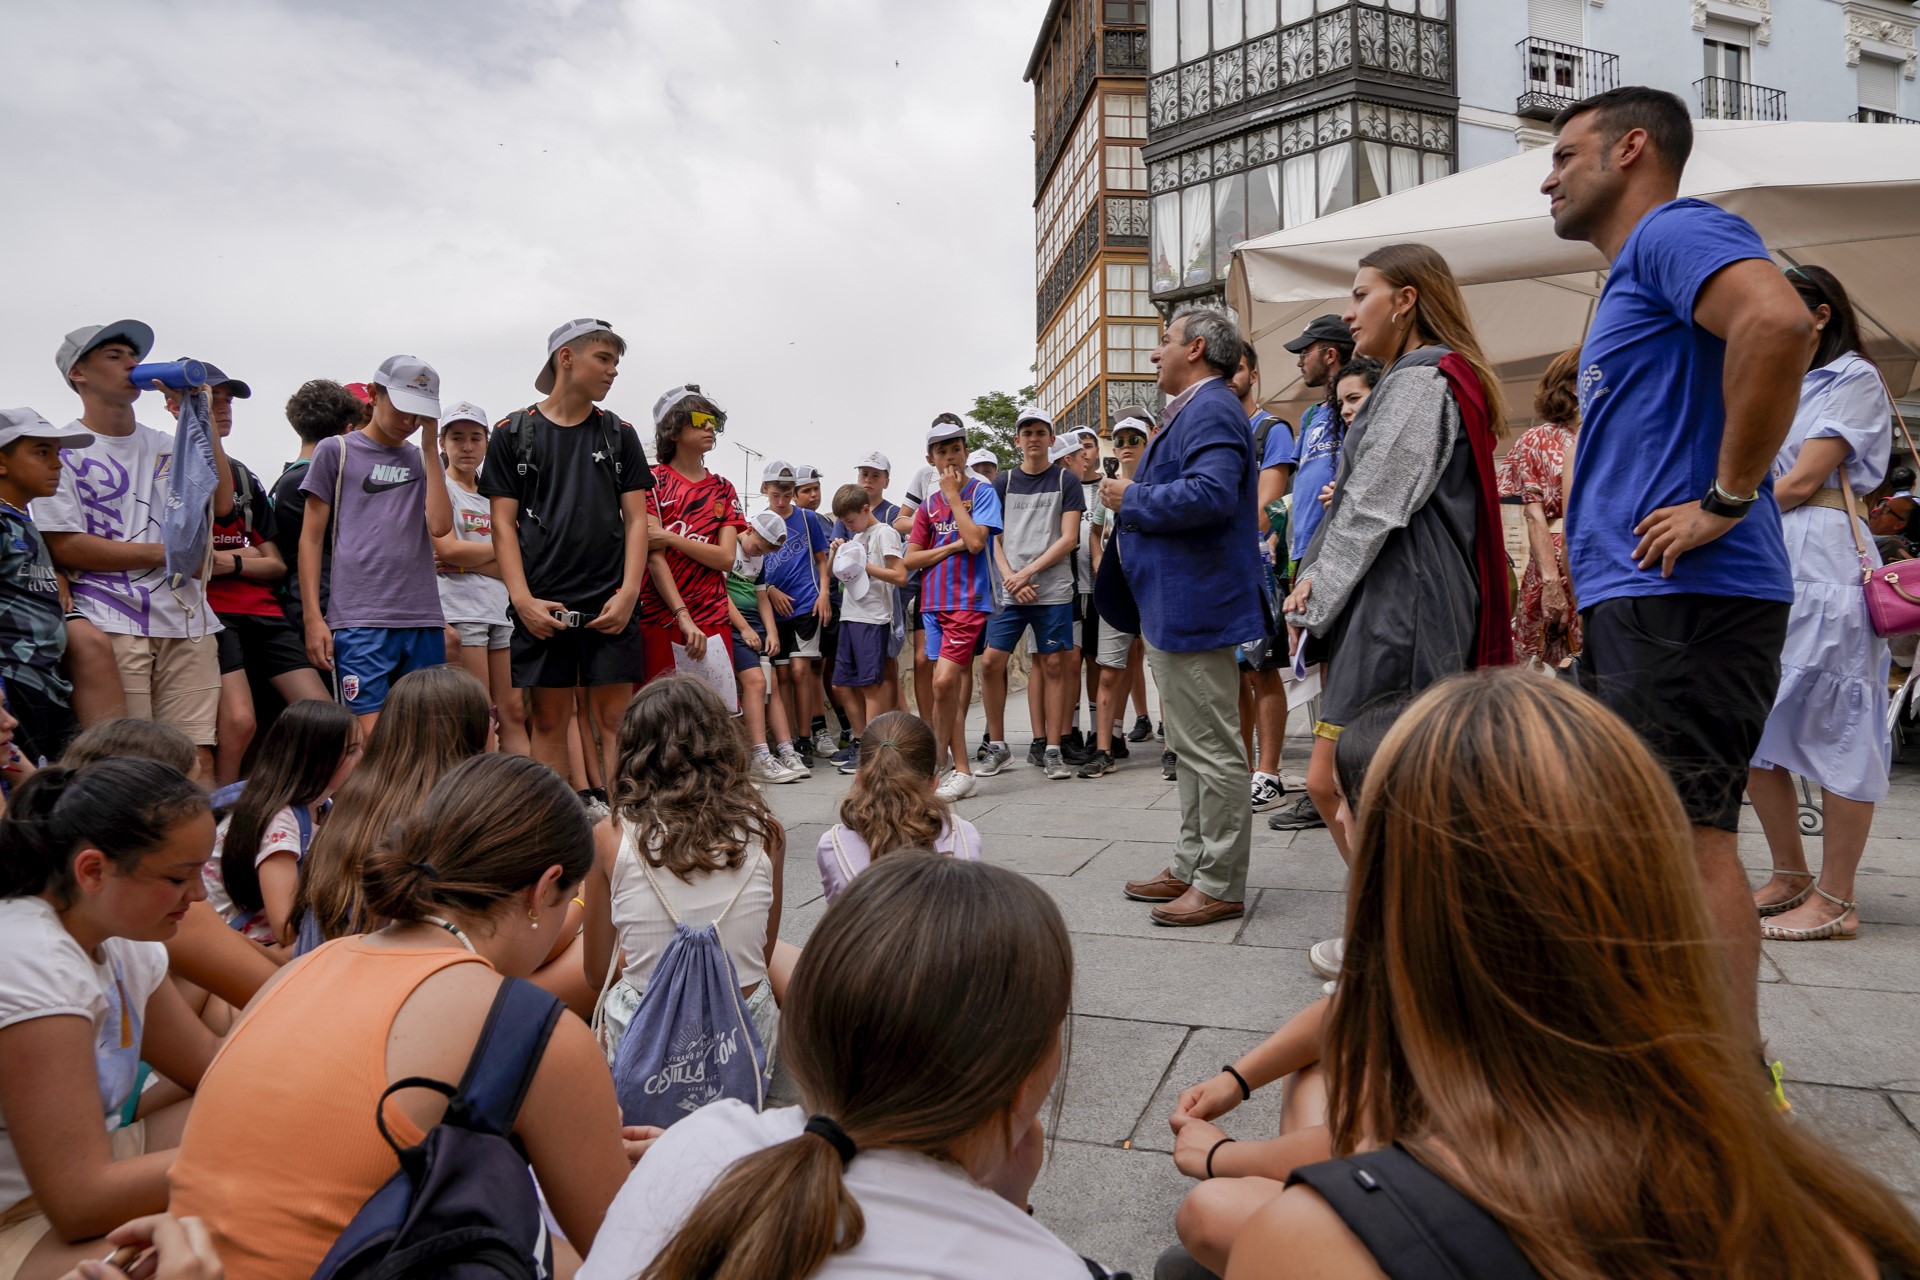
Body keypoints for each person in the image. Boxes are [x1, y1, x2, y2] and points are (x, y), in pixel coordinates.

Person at [1224, 670, 1920, 1279]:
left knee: (1241, 1187)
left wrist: (1229, 1157)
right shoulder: (1842, 1216)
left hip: (1385, 1210)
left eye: (1355, 806)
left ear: (1409, 889)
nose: (1339, 815)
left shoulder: (1304, 1241)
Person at [1544, 85, 1812, 1044]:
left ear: (1631, 150)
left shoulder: (1673, 231)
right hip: (1648, 601)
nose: (1549, 174)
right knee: (1645, 839)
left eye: (1566, 154)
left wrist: (1727, 499)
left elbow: (1778, 324)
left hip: (1690, 596)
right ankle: (1664, 1056)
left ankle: (1731, 1088)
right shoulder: (1634, 272)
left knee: (1691, 839)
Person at [169, 753, 643, 1280]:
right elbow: (624, 1255)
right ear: (542, 889)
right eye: (570, 901)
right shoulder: (529, 1024)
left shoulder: (309, 966)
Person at [578, 854, 1111, 1280]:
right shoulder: (1043, 1267)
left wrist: (687, 1151)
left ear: (807, 1031)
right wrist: (1010, 1208)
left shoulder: (693, 1144)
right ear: (1021, 1083)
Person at [1282, 244, 1511, 875]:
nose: (1350, 314)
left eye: (1362, 296)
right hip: (1398, 595)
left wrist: (1314, 596)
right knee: (1357, 779)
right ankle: (1389, 930)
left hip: (1405, 602)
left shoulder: (1420, 379)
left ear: (1406, 300)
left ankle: (1403, 938)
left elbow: (1375, 503)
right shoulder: (1421, 377)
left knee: (1378, 782)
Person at [0, 759, 221, 1280]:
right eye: (177, 876)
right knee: (218, 1233)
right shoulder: (30, 960)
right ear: (93, 870)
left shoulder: (117, 936)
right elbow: (78, 1200)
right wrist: (254, 1150)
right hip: (17, 1218)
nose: (199, 895)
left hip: (68, 1188)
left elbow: (209, 1064)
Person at [1748, 266, 1895, 943]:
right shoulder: (1774, 379)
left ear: (1821, 314)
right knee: (1750, 722)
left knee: (1839, 722)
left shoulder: (1854, 378)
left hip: (1827, 555)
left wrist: (1715, 515)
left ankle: (1837, 898)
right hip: (1774, 558)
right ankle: (1790, 873)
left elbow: (1804, 479)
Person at [1107, 310, 1265, 928]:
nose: (1155, 355)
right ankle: (1193, 861)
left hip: (1196, 603)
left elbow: (1211, 494)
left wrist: (1132, 498)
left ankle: (1220, 880)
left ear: (1196, 349)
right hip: (1176, 603)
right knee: (1192, 744)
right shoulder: (1199, 409)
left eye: (1165, 342)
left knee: (1213, 748)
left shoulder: (1213, 408)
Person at [38, 321, 234, 780]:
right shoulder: (61, 450)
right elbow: (66, 544)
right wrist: (169, 553)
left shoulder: (169, 443)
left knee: (195, 759)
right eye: (114, 356)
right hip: (110, 619)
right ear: (78, 374)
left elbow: (222, 504)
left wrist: (200, 418)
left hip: (188, 620)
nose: (132, 364)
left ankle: (196, 854)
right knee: (127, 762)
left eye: (135, 356)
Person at [482, 318, 654, 791]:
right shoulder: (512, 432)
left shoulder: (618, 433)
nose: (613, 371)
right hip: (543, 599)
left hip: (609, 597)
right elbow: (502, 524)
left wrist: (628, 594)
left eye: (616, 363)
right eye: (603, 359)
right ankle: (558, 833)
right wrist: (522, 600)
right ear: (566, 358)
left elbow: (638, 519)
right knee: (550, 721)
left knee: (618, 719)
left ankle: (628, 833)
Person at [582, 677, 784, 1052]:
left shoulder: (608, 837)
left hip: (645, 1043)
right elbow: (763, 955)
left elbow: (596, 974)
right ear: (724, 745)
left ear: (631, 751)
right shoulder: (767, 831)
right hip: (741, 1038)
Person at [162, 364, 329, 785]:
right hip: (211, 616)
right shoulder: (166, 464)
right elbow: (190, 557)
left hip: (266, 613)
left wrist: (231, 561)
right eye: (211, 398)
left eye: (227, 400)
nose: (223, 408)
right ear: (172, 403)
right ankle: (225, 817)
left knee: (327, 719)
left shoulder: (243, 475)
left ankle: (314, 806)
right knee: (239, 724)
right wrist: (235, 555)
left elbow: (274, 562)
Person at [298, 355, 454, 727]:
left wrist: (432, 449)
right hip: (359, 617)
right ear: (373, 394)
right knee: (369, 738)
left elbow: (440, 526)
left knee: (424, 734)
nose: (408, 422)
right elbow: (310, 539)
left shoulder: (421, 458)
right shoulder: (336, 450)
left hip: (421, 616)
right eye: (402, 408)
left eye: (418, 414)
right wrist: (313, 618)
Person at [294, 666, 491, 943]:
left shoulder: (350, 802)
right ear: (472, 732)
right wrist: (577, 900)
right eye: (490, 715)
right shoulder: (461, 812)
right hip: (405, 971)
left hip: (331, 966)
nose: (496, 725)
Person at [1263, 317, 1355, 835]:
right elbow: (1300, 484)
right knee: (1313, 669)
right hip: (1304, 552)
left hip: (1338, 553)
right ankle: (1329, 778)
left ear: (1332, 354)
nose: (1300, 360)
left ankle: (1339, 779)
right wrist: (1282, 533)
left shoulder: (1357, 403)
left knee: (1336, 670)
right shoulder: (1318, 413)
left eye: (1308, 351)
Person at [204, 699, 361, 951]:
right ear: (319, 759)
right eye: (352, 751)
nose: (362, 758)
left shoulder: (322, 804)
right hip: (239, 940)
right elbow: (286, 930)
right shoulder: (281, 819)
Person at [979, 409, 1083, 781]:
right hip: (1011, 590)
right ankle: (998, 746)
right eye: (1027, 432)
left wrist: (1026, 573)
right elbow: (992, 537)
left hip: (1050, 589)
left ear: (1051, 440)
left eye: (1041, 432)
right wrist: (1010, 577)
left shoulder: (1065, 480)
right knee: (991, 662)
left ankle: (1053, 748)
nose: (1034, 438)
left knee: (1053, 665)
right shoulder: (1002, 482)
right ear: (1017, 440)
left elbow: (1069, 538)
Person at [903, 419, 1004, 801]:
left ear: (965, 451)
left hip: (967, 601)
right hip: (931, 603)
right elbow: (911, 558)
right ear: (931, 458)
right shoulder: (927, 506)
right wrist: (947, 548)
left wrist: (952, 497)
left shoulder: (982, 491)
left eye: (956, 449)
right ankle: (960, 771)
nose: (950, 457)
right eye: (942, 451)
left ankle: (938, 764)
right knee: (943, 689)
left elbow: (977, 541)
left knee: (944, 683)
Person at [433, 401, 529, 755]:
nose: (467, 446)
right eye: (457, 438)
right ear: (443, 442)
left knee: (513, 711)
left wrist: (465, 561)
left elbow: (521, 559)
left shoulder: (497, 495)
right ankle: (482, 798)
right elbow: (447, 550)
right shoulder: (440, 487)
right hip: (463, 609)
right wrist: (505, 549)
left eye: (475, 438)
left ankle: (528, 797)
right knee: (478, 713)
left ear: (488, 443)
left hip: (502, 610)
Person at [637, 386, 747, 693]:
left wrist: (670, 537)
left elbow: (725, 558)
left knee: (711, 717)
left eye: (714, 420)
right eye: (700, 419)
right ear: (672, 429)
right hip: (660, 616)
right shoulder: (651, 481)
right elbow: (652, 555)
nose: (710, 427)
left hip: (712, 615)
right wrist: (681, 615)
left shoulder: (723, 488)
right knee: (660, 717)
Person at [0, 409, 92, 766]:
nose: (57, 464)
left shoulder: (21, 519)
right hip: (11, 679)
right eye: (42, 452)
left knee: (57, 789)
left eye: (56, 453)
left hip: (46, 681)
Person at [817, 712, 981, 903]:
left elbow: (837, 915)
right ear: (934, 782)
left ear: (860, 778)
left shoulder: (832, 844)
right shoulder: (964, 835)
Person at [1232, 345, 1295, 814]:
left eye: (1236, 367)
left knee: (1261, 669)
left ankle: (1269, 772)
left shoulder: (1272, 430)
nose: (1229, 376)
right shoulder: (1216, 431)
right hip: (1219, 570)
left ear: (1254, 372)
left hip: (1255, 568)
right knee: (1233, 673)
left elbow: (1263, 513)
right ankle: (1240, 767)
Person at [1498, 348, 1584, 668]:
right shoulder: (1538, 438)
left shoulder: (1611, 432)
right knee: (1547, 662)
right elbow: (1535, 517)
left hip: (1604, 559)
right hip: (1555, 563)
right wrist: (1552, 585)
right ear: (1575, 385)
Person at [1078, 415, 1149, 778]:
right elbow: (1095, 531)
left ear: (1149, 440)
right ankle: (1104, 748)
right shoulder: (1108, 488)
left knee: (1164, 673)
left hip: (1153, 587)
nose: (1125, 444)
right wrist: (1102, 566)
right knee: (1109, 670)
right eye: (1119, 438)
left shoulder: (1158, 483)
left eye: (1134, 437)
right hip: (1116, 588)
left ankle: (1172, 749)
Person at [268, 379, 363, 645]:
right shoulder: (319, 478)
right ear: (347, 431)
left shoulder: (283, 480)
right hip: (329, 607)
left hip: (295, 601)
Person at [758, 462, 833, 763]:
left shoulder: (807, 518)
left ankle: (805, 739)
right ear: (765, 489)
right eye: (776, 494)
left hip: (805, 603)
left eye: (787, 494)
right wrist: (771, 591)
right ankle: (785, 741)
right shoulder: (757, 522)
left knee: (803, 671)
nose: (781, 501)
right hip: (775, 610)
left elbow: (821, 559)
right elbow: (754, 570)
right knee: (783, 675)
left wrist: (824, 593)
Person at [827, 485, 906, 764]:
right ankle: (861, 741)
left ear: (865, 509)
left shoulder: (885, 533)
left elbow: (899, 576)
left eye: (850, 521)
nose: (847, 527)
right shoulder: (856, 536)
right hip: (850, 615)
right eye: (843, 523)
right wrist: (838, 554)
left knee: (870, 685)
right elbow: (834, 576)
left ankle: (872, 750)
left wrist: (863, 567)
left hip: (873, 618)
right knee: (841, 684)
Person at [726, 511, 806, 783]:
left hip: (755, 623)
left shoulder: (760, 557)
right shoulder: (729, 546)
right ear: (748, 530)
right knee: (756, 683)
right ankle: (759, 754)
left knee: (771, 681)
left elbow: (761, 597)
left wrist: (771, 631)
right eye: (759, 546)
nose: (759, 552)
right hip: (733, 623)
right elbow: (718, 592)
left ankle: (786, 749)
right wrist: (744, 628)